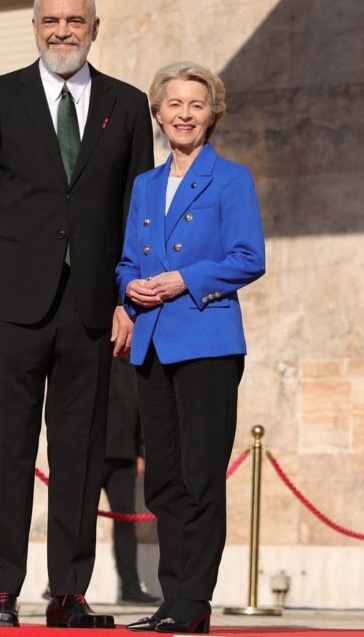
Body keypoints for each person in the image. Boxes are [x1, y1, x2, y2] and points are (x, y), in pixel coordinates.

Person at [0, 0, 154, 629]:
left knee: (80, 457)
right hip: (9, 308)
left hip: (92, 313)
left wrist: (130, 300)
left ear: (95, 28)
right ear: (34, 27)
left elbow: (137, 211)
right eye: (50, 22)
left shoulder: (125, 106)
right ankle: (1, 590)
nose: (62, 32)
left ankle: (68, 593)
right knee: (6, 453)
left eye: (75, 21)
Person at [116, 61, 265, 634]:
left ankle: (193, 601)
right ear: (158, 114)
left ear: (213, 116)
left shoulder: (232, 179)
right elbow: (128, 258)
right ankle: (170, 595)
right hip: (152, 342)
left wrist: (184, 279)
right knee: (164, 481)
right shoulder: (144, 186)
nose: (184, 114)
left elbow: (249, 258)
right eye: (173, 104)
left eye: (196, 105)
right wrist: (126, 284)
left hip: (206, 340)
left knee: (202, 475)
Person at [103, 356, 159, 605]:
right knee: (77, 520)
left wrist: (139, 452)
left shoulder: (133, 366)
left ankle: (130, 587)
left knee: (126, 523)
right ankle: (60, 585)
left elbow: (139, 410)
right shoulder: (96, 362)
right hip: (92, 454)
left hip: (124, 456)